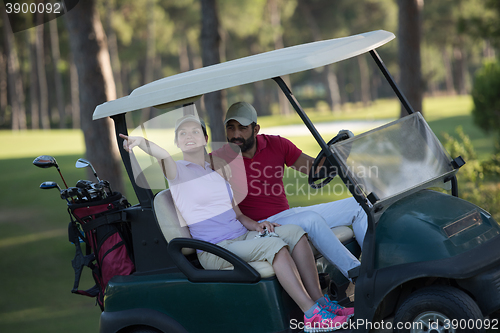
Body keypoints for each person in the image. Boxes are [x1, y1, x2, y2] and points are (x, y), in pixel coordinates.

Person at [119, 115, 353, 332]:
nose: (189, 137)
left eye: (194, 132)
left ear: (205, 138)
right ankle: (311, 314)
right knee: (274, 246)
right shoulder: (177, 172)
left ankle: (321, 304)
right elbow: (162, 155)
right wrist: (141, 142)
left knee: (295, 233)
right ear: (178, 143)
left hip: (241, 237)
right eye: (182, 134)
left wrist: (258, 226)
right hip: (215, 249)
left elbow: (239, 216)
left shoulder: (217, 171)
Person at [212, 101, 367, 281]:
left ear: (255, 130)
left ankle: (375, 266)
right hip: (259, 227)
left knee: (359, 205)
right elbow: (186, 176)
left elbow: (315, 170)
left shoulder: (277, 144)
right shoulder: (218, 159)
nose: (236, 134)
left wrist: (339, 154)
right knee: (310, 219)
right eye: (231, 128)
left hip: (286, 215)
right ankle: (359, 276)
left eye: (242, 128)